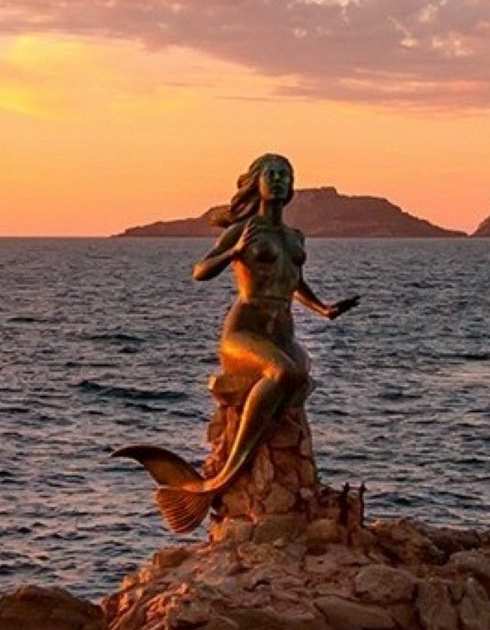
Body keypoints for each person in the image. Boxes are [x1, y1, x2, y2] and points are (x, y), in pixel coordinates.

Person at [116, 153, 359, 532]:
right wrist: (234, 251)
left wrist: (324, 309)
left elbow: (292, 281)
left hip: (281, 331)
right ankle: (221, 478)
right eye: (271, 174)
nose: (278, 180)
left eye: (285, 175)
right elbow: (200, 271)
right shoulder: (247, 230)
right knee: (280, 371)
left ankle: (231, 478)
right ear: (256, 183)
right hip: (244, 331)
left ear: (291, 185)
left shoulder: (294, 237)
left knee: (300, 374)